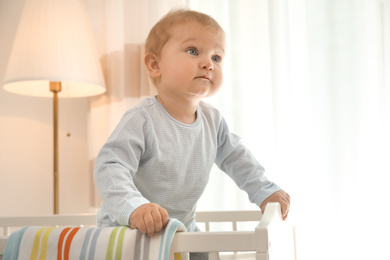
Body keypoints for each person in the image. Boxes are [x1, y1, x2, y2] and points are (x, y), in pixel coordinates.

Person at [94, 9, 290, 239]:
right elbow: (110, 166)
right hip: (127, 229)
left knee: (209, 250)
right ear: (155, 64)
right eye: (193, 51)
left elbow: (238, 159)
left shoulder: (212, 121)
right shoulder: (142, 120)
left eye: (216, 57)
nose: (208, 63)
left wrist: (264, 191)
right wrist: (134, 207)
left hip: (180, 230)